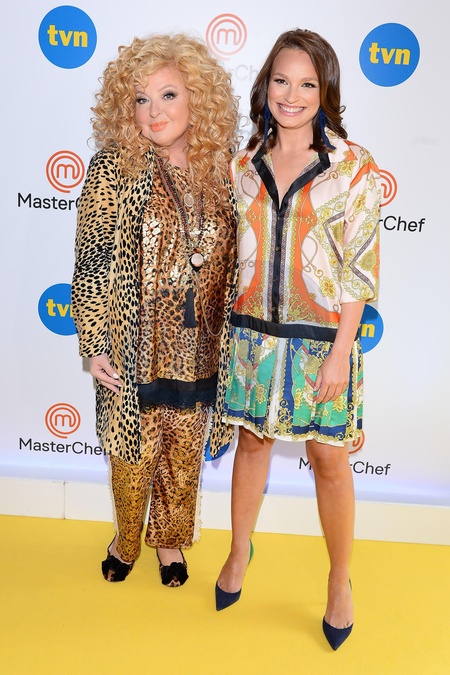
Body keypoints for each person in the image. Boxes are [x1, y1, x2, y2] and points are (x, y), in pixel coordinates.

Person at [213, 28, 381, 650]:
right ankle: (238, 552)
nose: (292, 94)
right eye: (282, 80)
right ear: (265, 86)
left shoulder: (352, 166)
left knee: (329, 461)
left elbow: (359, 268)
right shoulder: (241, 165)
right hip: (252, 337)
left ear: (324, 91)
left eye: (308, 83)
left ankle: (339, 580)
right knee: (251, 445)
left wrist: (340, 353)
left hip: (321, 343)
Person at [71, 33, 239, 587]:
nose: (154, 111)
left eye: (168, 95)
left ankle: (169, 541)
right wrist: (93, 343)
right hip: (133, 344)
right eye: (141, 99)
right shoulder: (113, 167)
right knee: (131, 456)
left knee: (184, 457)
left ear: (198, 98)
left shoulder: (223, 170)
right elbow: (92, 260)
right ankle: (126, 538)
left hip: (199, 344)